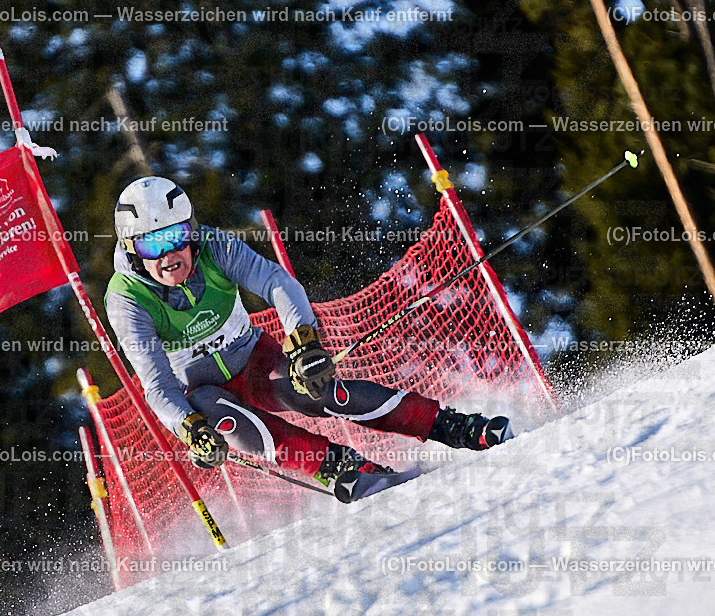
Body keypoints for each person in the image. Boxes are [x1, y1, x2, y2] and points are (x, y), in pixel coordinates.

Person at [104, 177, 514, 503]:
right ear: (132, 249)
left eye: (175, 236)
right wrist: (188, 428)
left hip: (254, 359)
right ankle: (341, 468)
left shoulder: (214, 247)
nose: (167, 254)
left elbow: (277, 283)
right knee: (217, 414)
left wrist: (302, 343)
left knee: (317, 390)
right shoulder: (127, 300)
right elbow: (156, 383)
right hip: (205, 390)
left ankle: (454, 426)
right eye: (151, 244)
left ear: (190, 232)